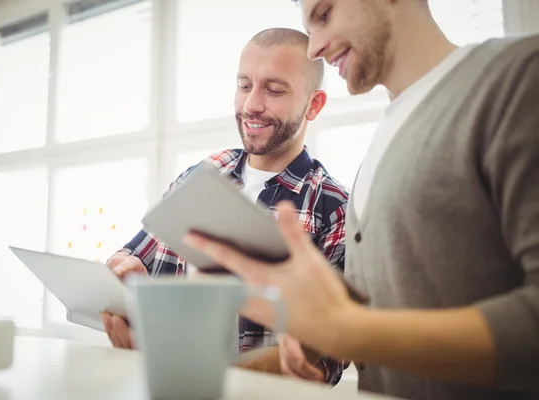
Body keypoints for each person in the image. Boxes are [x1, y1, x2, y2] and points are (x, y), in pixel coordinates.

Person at [182, 1, 539, 399]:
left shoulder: (520, 75)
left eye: (324, 14)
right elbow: (371, 318)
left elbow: (356, 329)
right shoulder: (381, 147)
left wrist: (344, 330)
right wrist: (309, 338)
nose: (314, 46)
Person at [101, 27, 351, 385]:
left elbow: (325, 358)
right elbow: (135, 256)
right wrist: (126, 274)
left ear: (314, 104)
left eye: (274, 89)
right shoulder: (202, 174)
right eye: (244, 85)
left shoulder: (334, 207)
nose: (251, 105)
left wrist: (198, 373)